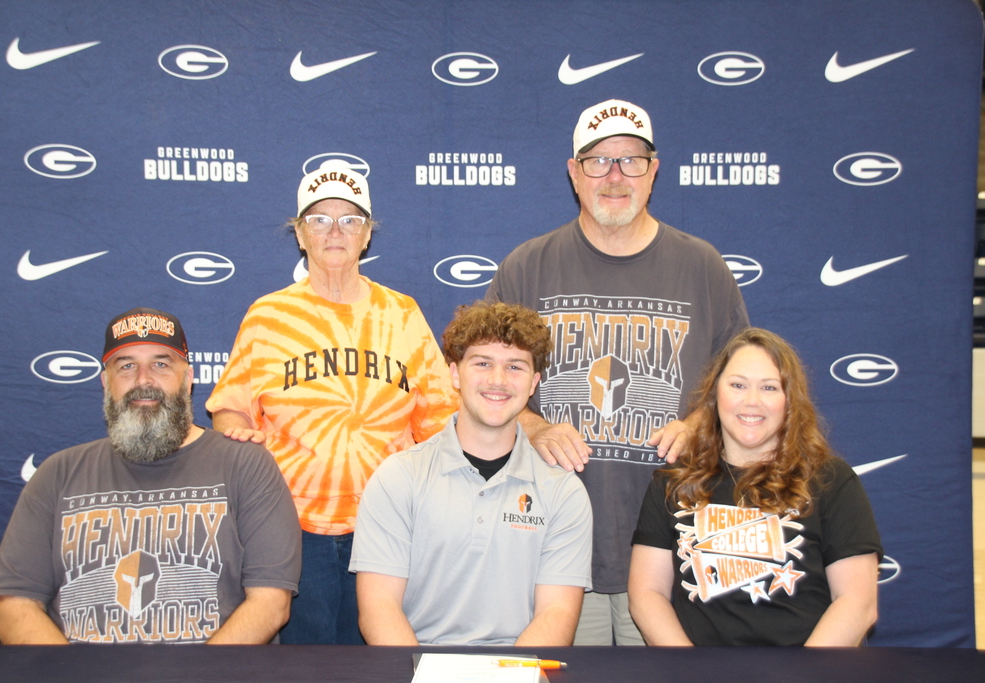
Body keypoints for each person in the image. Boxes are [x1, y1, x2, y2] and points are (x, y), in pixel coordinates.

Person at [486, 98, 749, 644]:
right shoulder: (527, 266)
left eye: (631, 161)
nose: (614, 176)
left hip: (666, 546)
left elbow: (741, 382)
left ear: (654, 172)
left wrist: (703, 422)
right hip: (553, 549)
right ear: (573, 173)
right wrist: (533, 426)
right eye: (597, 162)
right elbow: (482, 380)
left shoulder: (702, 266)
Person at [207, 166, 458, 644]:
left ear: (367, 234)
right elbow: (230, 407)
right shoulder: (268, 315)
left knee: (381, 661)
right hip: (293, 525)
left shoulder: (402, 313)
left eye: (350, 220)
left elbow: (441, 421)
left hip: (389, 524)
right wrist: (236, 431)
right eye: (320, 220)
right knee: (308, 667)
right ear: (300, 233)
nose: (335, 231)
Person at [0, 307, 301, 644]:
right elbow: (16, 605)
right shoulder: (58, 474)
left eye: (161, 364)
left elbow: (270, 604)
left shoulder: (246, 465)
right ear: (106, 382)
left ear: (188, 378)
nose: (143, 380)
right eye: (126, 366)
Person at [349, 301, 592, 645]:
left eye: (515, 367)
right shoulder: (398, 478)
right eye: (482, 363)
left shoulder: (563, 492)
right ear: (453, 374)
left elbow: (557, 615)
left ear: (534, 382)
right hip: (418, 670)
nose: (498, 380)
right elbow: (379, 607)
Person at [628, 328, 882, 646]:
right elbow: (646, 595)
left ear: (790, 400)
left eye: (769, 387)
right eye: (737, 385)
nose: (752, 401)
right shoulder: (672, 482)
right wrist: (690, 670)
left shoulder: (832, 481)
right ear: (713, 394)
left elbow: (858, 604)